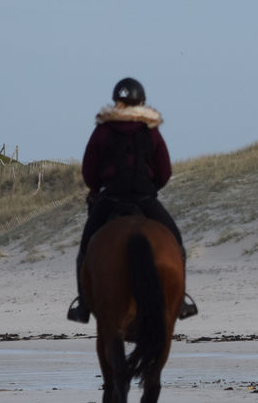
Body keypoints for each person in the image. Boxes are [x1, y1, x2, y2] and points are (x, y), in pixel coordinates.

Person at [66, 77, 197, 324]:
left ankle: (83, 305)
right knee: (176, 242)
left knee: (86, 248)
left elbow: (89, 172)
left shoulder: (102, 130)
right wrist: (149, 189)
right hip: (144, 197)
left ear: (117, 103)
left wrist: (97, 188)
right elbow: (165, 171)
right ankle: (180, 302)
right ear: (142, 102)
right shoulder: (151, 130)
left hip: (111, 197)